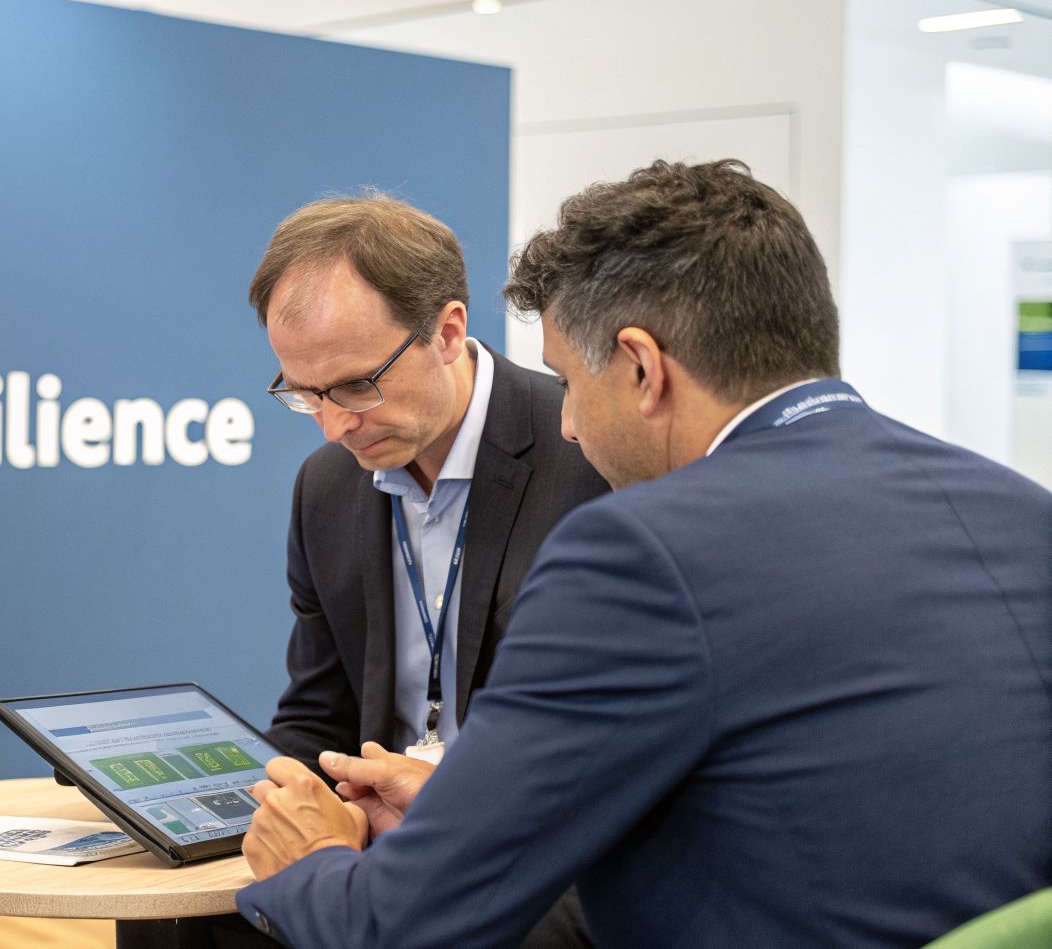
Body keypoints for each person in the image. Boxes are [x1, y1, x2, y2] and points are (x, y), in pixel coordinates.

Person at [234, 159, 1052, 948]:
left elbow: (394, 927)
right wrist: (477, 807)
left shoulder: (642, 549)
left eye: (571, 382)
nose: (569, 425)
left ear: (641, 367)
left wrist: (314, 861)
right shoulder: (1019, 508)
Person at [246, 193, 608, 947]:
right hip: (380, 843)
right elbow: (318, 714)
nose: (334, 424)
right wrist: (244, 805)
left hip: (537, 864)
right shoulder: (326, 486)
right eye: (304, 393)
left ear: (447, 331)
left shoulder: (588, 454)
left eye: (354, 385)